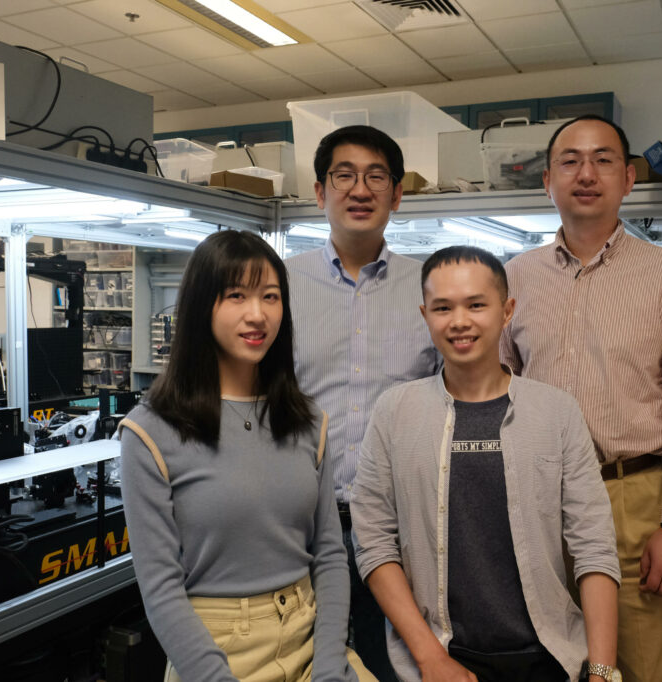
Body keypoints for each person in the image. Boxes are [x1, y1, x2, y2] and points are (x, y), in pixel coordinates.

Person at [500, 115, 662, 682]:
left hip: (634, 502)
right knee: (543, 663)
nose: (586, 173)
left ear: (627, 180)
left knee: (644, 669)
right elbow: (496, 395)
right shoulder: (512, 279)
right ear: (547, 181)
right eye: (570, 161)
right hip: (536, 501)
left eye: (602, 160)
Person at [351, 245, 622, 682]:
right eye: (442, 307)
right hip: (439, 658)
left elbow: (593, 547)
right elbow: (373, 540)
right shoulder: (395, 411)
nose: (459, 321)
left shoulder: (556, 412)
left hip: (548, 658)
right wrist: (430, 659)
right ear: (425, 316)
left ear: (506, 310)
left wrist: (603, 672)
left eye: (476, 305)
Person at [119, 230, 373, 682]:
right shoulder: (151, 432)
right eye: (236, 295)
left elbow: (331, 556)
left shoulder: (308, 421)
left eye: (270, 296)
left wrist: (332, 666)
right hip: (215, 651)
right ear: (202, 306)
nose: (257, 315)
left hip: (312, 637)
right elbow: (160, 588)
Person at [286, 125, 440, 680]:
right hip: (298, 523)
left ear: (397, 195)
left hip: (399, 528)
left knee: (392, 663)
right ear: (320, 191)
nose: (360, 189)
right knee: (300, 662)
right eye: (344, 175)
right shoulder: (281, 284)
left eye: (376, 176)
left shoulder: (430, 290)